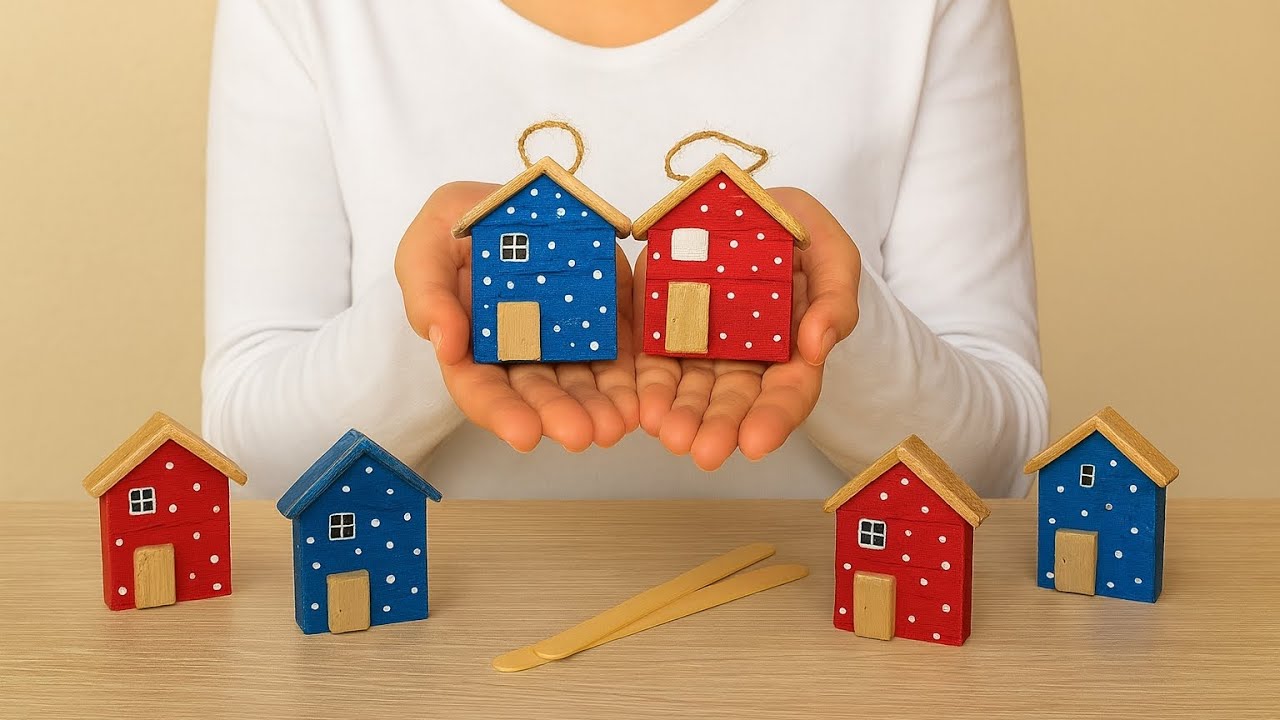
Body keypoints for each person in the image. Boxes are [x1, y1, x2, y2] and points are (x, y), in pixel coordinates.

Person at [203, 0, 1047, 501]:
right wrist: (444, 316)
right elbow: (256, 462)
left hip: (818, 652)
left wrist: (818, 314)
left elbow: (995, 462)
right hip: (426, 651)